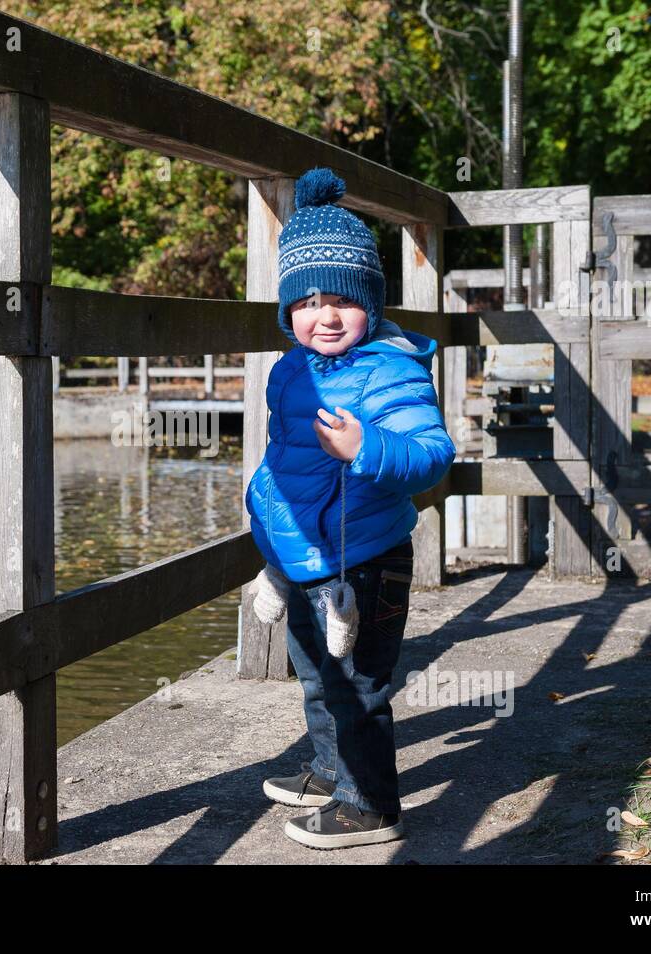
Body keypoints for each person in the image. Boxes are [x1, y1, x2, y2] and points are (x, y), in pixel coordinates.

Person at [244, 166, 454, 849]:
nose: (324, 316)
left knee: (358, 685)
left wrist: (369, 446)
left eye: (341, 299)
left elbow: (432, 453)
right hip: (306, 557)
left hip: (367, 558)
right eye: (305, 303)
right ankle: (334, 770)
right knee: (314, 676)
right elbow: (286, 459)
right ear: (287, 312)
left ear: (370, 300)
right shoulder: (289, 369)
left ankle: (370, 807)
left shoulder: (392, 367)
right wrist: (271, 543)